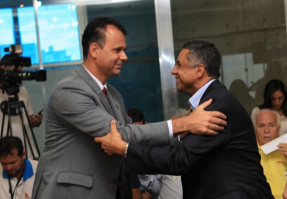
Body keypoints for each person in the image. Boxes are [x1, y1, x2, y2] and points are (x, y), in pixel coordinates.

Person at [31, 17, 226, 199]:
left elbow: (137, 134)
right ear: (94, 50)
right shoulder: (70, 90)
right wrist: (184, 124)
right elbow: (120, 134)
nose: (124, 56)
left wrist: (179, 133)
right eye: (117, 50)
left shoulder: (113, 94)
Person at [95, 39, 274, 199]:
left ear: (199, 71)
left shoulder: (216, 105)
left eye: (179, 65)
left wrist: (124, 149)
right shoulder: (209, 102)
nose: (173, 71)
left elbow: (180, 159)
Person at [0, 56, 43, 159]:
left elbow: (28, 121)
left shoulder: (22, 90)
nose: (17, 75)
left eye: (19, 72)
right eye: (14, 71)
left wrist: (35, 122)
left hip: (26, 151)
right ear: (2, 68)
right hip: (3, 155)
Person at [253, 108, 287, 199]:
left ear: (279, 128)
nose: (266, 130)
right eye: (261, 126)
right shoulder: (249, 154)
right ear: (255, 129)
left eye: (271, 125)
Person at [251, 79, 287, 146]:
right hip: (266, 154)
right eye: (273, 99)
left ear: (285, 97)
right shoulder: (258, 112)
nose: (277, 102)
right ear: (268, 98)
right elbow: (254, 138)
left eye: (280, 98)